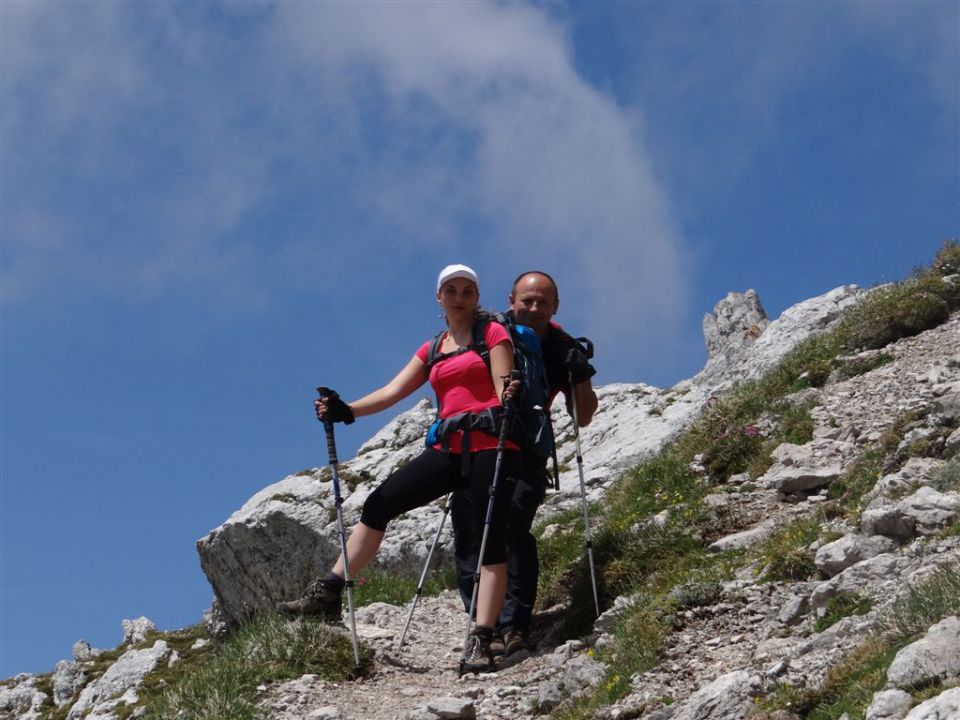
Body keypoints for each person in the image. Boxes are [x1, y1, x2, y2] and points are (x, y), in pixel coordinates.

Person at [276, 264, 521, 673]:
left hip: (492, 444)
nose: (460, 297)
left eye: (468, 291)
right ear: (438, 297)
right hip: (449, 447)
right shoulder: (433, 348)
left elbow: (502, 384)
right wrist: (347, 410)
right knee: (378, 504)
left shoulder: (493, 333)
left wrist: (508, 391)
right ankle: (329, 591)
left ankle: (483, 635)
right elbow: (393, 391)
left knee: (488, 539)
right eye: (452, 290)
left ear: (477, 297)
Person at [451, 270, 597, 656]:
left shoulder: (560, 346)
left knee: (511, 527)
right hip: (475, 446)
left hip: (527, 452)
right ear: (511, 300)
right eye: (526, 300)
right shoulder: (485, 331)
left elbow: (583, 416)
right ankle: (487, 625)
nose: (533, 308)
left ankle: (513, 625)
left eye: (542, 302)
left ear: (555, 306)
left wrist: (579, 374)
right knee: (469, 533)